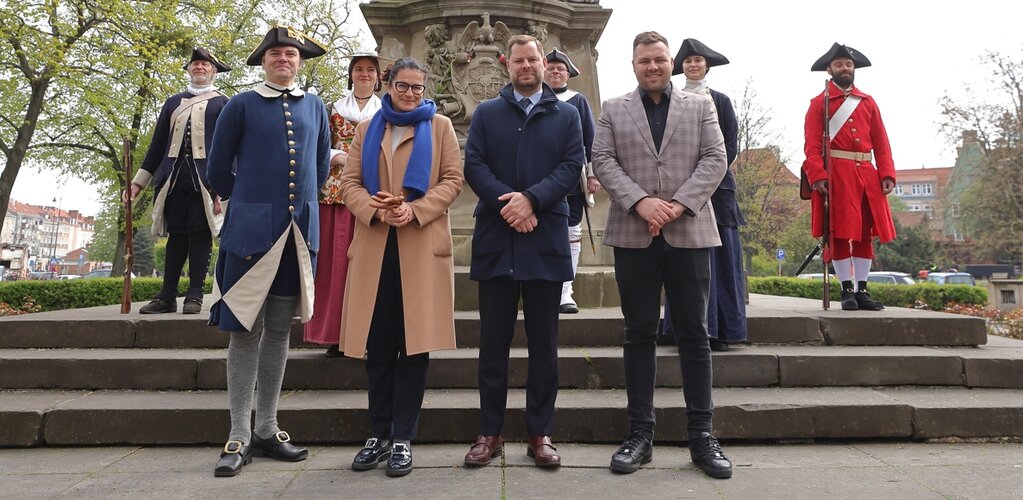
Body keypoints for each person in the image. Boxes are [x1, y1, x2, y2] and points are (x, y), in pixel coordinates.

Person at [592, 31, 732, 479]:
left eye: (658, 59)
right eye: (643, 61)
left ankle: (702, 436)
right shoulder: (614, 109)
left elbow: (716, 157)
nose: (651, 66)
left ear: (670, 63)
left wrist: (675, 205)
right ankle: (639, 434)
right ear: (633, 65)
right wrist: (641, 202)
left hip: (689, 229)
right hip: (634, 234)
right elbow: (603, 160)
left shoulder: (700, 105)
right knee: (638, 333)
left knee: (694, 334)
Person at [205, 26, 330, 477]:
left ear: (300, 62)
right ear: (263, 60)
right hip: (251, 235)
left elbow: (318, 167)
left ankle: (268, 427)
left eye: (291, 54)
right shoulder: (240, 104)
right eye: (276, 53)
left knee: (279, 330)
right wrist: (249, 202)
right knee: (245, 330)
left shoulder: (315, 105)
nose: (284, 59)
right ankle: (239, 432)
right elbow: (217, 170)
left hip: (297, 236)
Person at [462, 34, 585, 469]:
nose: (527, 66)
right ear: (505, 63)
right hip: (498, 240)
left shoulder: (567, 114)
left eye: (533, 58)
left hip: (544, 238)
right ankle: (489, 432)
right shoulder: (487, 113)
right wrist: (510, 205)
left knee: (544, 346)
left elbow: (572, 167)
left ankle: (540, 432)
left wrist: (531, 200)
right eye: (519, 60)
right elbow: (474, 164)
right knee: (492, 345)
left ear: (541, 62)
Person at [338, 57, 463, 477]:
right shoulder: (367, 128)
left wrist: (415, 210)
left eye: (417, 88)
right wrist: (373, 209)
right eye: (402, 85)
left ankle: (403, 437)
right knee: (378, 345)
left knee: (414, 347)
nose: (410, 93)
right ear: (387, 85)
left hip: (420, 245)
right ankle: (378, 432)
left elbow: (452, 179)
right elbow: (349, 183)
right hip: (375, 245)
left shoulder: (440, 127)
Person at [127, 48, 229, 315]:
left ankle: (194, 295)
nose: (199, 68)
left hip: (206, 181)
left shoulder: (224, 103)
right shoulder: (173, 102)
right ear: (188, 70)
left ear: (213, 71)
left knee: (201, 235)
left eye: (204, 64)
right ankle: (167, 296)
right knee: (176, 236)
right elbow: (157, 144)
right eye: (194, 64)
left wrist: (224, 188)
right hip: (172, 179)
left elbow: (230, 150)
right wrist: (138, 183)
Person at [660, 38, 746, 351]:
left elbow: (730, 146)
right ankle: (682, 328)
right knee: (682, 262)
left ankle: (721, 330)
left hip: (718, 189)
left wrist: (706, 178)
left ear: (706, 66)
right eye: (688, 62)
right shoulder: (671, 100)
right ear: (680, 67)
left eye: (698, 61)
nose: (693, 65)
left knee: (720, 262)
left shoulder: (720, 101)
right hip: (680, 191)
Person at [803, 42, 896, 311]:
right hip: (838, 175)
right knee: (840, 233)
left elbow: (881, 141)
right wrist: (817, 175)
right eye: (839, 65)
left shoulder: (867, 102)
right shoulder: (818, 104)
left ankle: (862, 290)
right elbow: (811, 146)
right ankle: (846, 291)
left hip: (867, 173)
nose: (845, 68)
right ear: (829, 69)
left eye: (849, 64)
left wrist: (887, 172)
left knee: (864, 232)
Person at [304, 52, 383, 358]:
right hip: (335, 195)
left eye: (369, 70)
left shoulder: (386, 110)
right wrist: (339, 156)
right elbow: (317, 146)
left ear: (377, 77)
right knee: (335, 266)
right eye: (359, 70)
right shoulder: (331, 108)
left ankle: (367, 334)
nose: (364, 74)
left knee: (367, 266)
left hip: (372, 193)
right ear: (351, 74)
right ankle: (336, 335)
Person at [543, 48, 600, 314]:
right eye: (551, 68)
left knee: (571, 233)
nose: (555, 72)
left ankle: (566, 290)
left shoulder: (578, 101)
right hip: (539, 179)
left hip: (571, 179)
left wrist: (592, 174)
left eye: (560, 69)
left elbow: (591, 141)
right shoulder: (534, 99)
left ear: (568, 73)